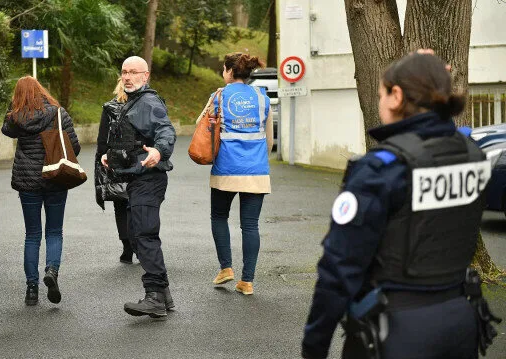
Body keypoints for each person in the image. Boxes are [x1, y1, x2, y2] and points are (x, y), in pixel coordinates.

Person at [301, 52, 501, 359]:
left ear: (396, 96)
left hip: (396, 331)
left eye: (381, 94)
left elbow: (339, 270)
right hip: (461, 321)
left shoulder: (381, 169)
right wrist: (430, 73)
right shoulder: (471, 153)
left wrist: (314, 347)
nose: (379, 103)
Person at [101, 56, 176, 318]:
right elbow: (128, 140)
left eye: (134, 72)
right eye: (124, 72)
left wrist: (159, 150)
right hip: (134, 179)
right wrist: (110, 155)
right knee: (136, 235)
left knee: (144, 235)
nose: (127, 77)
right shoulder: (131, 102)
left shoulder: (149, 101)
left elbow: (166, 131)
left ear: (146, 76)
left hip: (149, 179)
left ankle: (154, 296)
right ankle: (164, 296)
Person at [1, 76, 80, 306]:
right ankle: (52, 271)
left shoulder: (17, 117)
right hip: (54, 177)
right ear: (41, 91)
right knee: (54, 231)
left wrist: (13, 106)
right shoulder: (57, 113)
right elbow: (73, 145)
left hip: (28, 182)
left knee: (32, 234)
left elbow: (6, 130)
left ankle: (32, 289)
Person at [208, 53, 273, 296]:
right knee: (250, 225)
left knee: (218, 216)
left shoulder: (219, 96)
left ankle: (226, 268)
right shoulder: (261, 96)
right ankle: (247, 282)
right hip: (256, 169)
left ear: (228, 71)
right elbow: (269, 140)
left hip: (226, 167)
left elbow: (206, 130)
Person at [95, 78, 133, 263]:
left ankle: (126, 246)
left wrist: (102, 157)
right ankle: (139, 243)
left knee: (120, 203)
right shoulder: (141, 105)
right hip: (137, 159)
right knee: (138, 203)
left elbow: (103, 137)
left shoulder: (109, 108)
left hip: (115, 161)